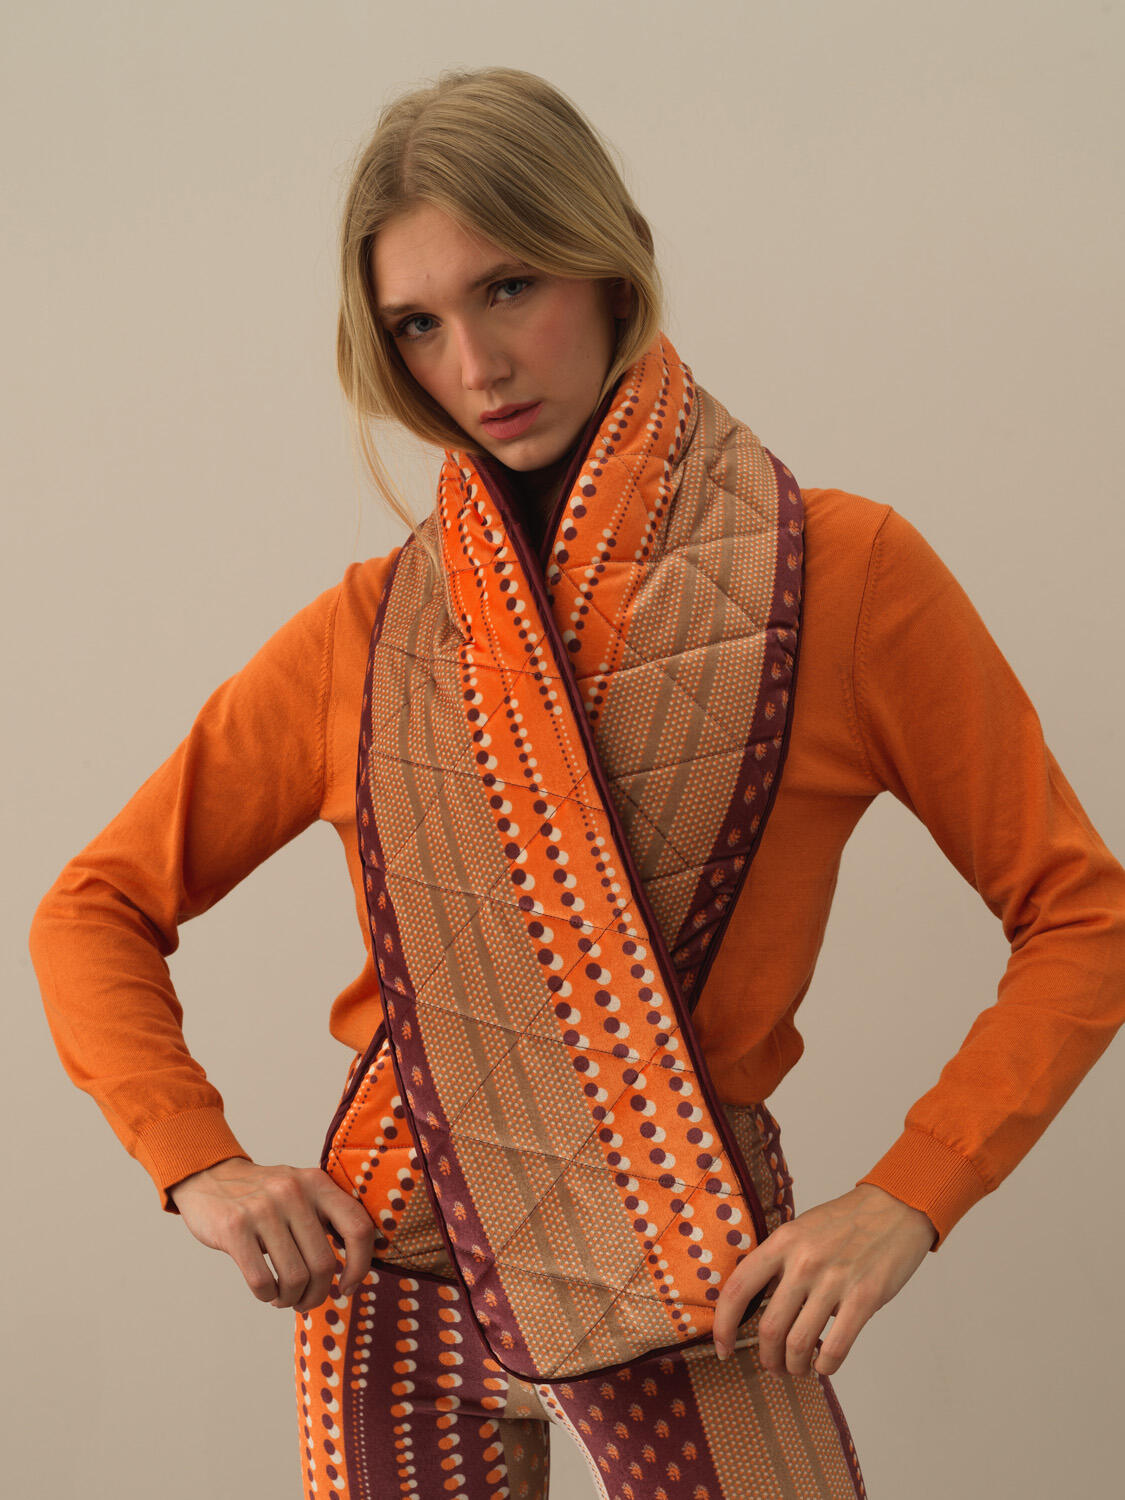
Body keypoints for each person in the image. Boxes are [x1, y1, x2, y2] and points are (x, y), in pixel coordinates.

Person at [29, 66, 1125, 1500]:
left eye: (509, 287)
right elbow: (91, 907)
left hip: (694, 1267)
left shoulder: (849, 576)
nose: (476, 364)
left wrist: (910, 1197)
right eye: (417, 323)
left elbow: (1083, 918)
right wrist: (198, 1163)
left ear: (613, 270)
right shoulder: (366, 628)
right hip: (396, 1267)